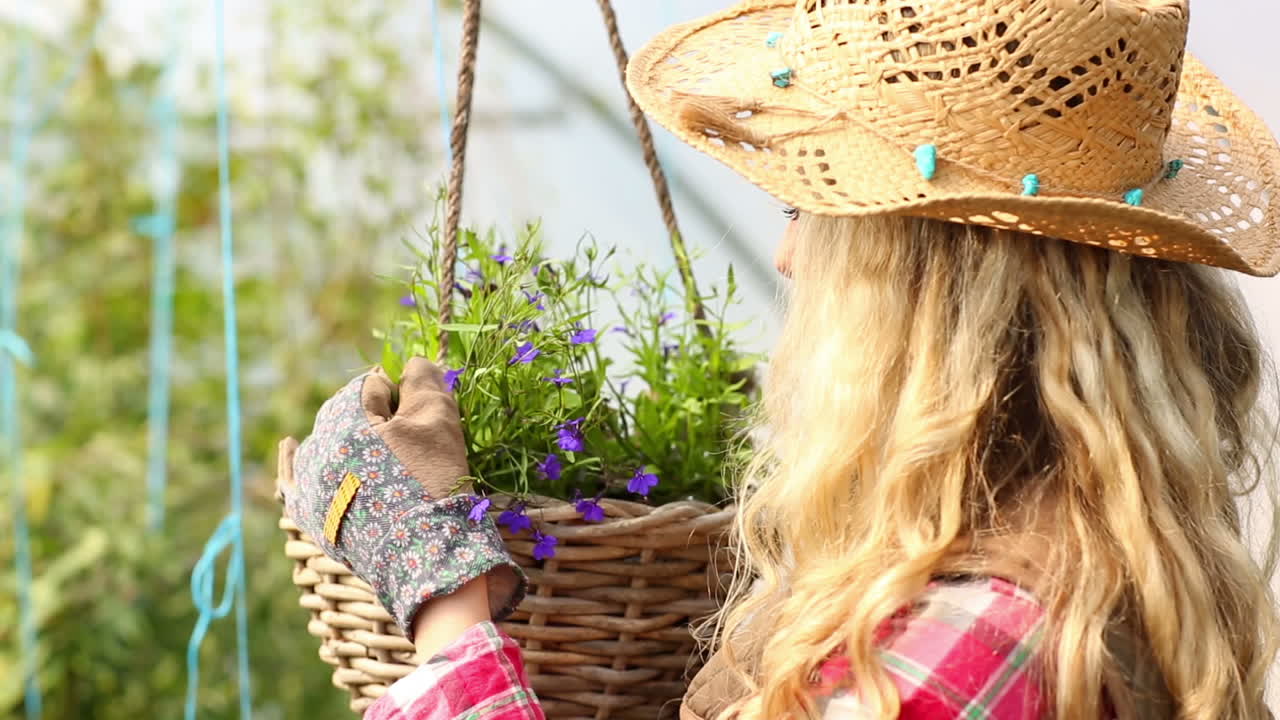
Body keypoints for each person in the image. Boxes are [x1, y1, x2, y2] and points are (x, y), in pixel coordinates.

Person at [278, 0, 1280, 718]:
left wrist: (443, 596)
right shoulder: (1063, 575)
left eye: (809, 211)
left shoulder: (979, 647)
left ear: (928, 288)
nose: (785, 254)